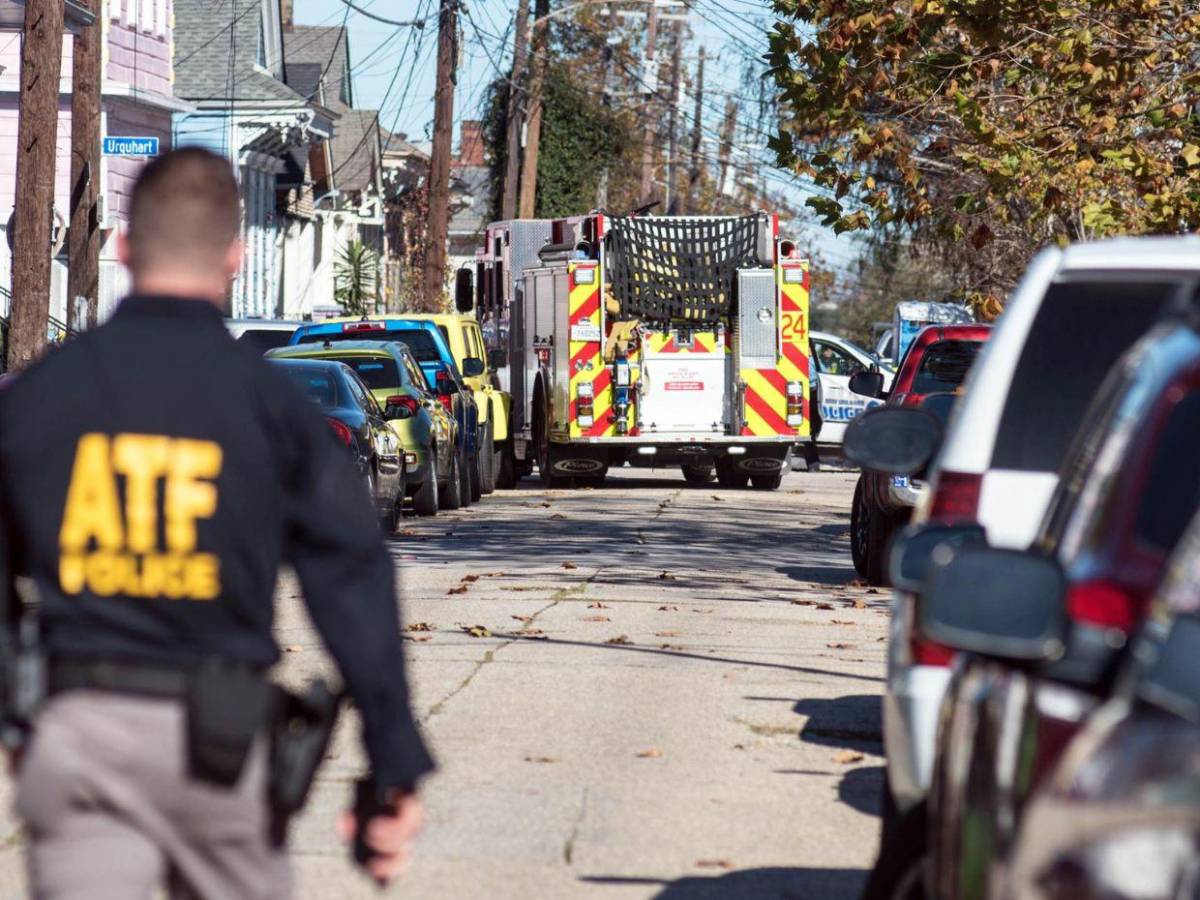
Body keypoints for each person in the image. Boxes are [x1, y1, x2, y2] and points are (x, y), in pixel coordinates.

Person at [0, 148, 433, 898]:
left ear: (126, 248)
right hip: (219, 745)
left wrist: (14, 710)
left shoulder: (38, 399)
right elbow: (352, 579)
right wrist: (392, 757)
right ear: (234, 255)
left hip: (78, 736)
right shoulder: (276, 414)